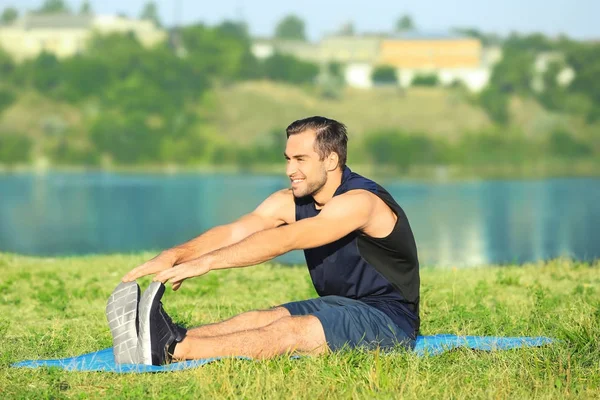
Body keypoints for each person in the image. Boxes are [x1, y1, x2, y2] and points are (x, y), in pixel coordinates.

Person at [111, 116, 420, 366]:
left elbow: (288, 238)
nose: (289, 170)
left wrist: (205, 264)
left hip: (389, 319)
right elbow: (236, 231)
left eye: (300, 159)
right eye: (287, 159)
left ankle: (172, 350)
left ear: (330, 160)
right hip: (341, 305)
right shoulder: (292, 200)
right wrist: (176, 255)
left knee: (289, 330)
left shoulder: (359, 202)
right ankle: (161, 336)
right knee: (261, 318)